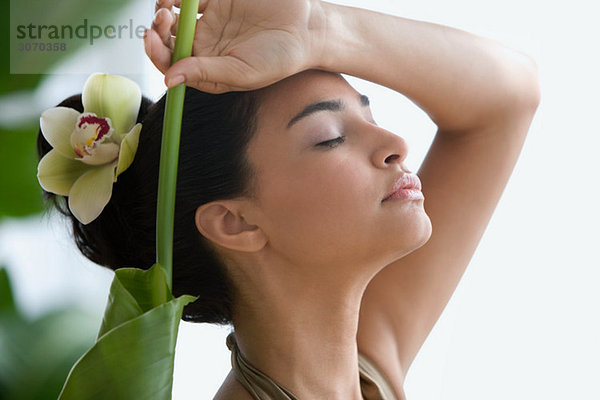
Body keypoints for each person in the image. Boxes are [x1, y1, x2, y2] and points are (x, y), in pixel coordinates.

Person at [37, 0, 540, 398]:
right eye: (329, 136)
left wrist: (319, 28)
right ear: (234, 221)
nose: (395, 145)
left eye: (367, 114)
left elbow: (507, 99)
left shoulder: (366, 377)